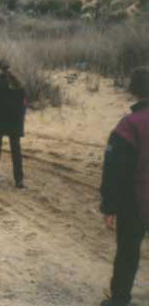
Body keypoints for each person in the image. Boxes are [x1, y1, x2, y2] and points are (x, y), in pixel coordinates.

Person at [100, 66, 149, 306]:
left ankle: (120, 298)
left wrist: (109, 206)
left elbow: (114, 170)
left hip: (136, 201)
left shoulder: (129, 125)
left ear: (133, 90)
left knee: (128, 251)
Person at [0, 60, 27, 188]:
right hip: (15, 120)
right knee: (16, 150)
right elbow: (24, 103)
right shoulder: (18, 83)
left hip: (0, 119)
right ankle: (19, 179)